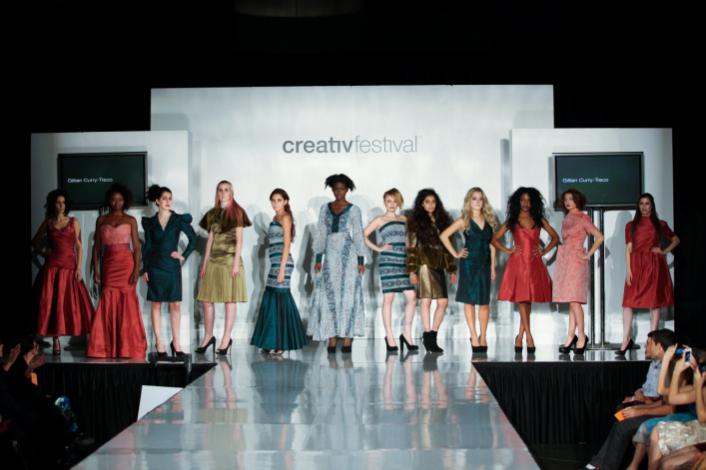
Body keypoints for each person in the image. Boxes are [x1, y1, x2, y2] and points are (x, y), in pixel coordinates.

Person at [584, 328, 676, 470]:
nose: (645, 346)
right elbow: (660, 399)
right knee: (621, 414)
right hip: (655, 406)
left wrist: (640, 409)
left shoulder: (672, 368)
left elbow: (668, 407)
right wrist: (639, 405)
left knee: (624, 425)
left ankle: (606, 466)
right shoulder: (657, 364)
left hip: (667, 414)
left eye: (649, 343)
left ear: (659, 347)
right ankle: (599, 463)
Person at [492, 187, 559, 353]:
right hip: (518, 264)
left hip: (534, 263)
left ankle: (520, 336)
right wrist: (508, 250)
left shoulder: (538, 219)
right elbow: (494, 239)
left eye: (529, 200)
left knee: (527, 300)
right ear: (518, 201)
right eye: (522, 200)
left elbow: (555, 237)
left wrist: (544, 251)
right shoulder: (513, 220)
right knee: (523, 299)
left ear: (533, 202)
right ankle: (529, 336)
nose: (525, 203)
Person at [30, 190, 94, 355]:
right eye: (58, 202)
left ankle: (91, 341)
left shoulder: (73, 221)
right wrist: (44, 252)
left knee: (69, 304)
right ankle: (55, 339)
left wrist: (79, 268)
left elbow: (79, 246)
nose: (61, 205)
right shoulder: (49, 222)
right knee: (51, 304)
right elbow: (34, 241)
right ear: (53, 204)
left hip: (69, 267)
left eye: (64, 202)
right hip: (52, 268)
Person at [308, 174, 367, 354]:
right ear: (332, 190)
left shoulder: (354, 210)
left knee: (348, 294)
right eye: (335, 188)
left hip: (348, 256)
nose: (338, 192)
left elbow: (358, 234)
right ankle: (331, 336)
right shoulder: (324, 208)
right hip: (330, 256)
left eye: (341, 188)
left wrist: (360, 260)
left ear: (347, 189)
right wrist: (318, 258)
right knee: (329, 295)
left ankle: (347, 337)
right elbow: (320, 233)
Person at [87, 184, 146, 358]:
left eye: (120, 199)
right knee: (107, 301)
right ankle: (106, 347)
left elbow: (137, 248)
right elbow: (96, 248)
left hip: (126, 265)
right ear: (109, 201)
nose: (116, 202)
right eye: (113, 199)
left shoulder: (131, 220)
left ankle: (127, 347)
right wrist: (96, 271)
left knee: (127, 303)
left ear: (124, 201)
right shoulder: (101, 220)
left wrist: (136, 270)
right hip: (108, 265)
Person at [619, 193, 679, 355]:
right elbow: (629, 248)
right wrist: (629, 270)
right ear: (638, 206)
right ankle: (625, 339)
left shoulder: (660, 224)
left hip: (654, 265)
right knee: (628, 303)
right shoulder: (631, 225)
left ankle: (652, 341)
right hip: (636, 265)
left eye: (647, 203)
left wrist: (663, 251)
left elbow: (676, 240)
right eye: (641, 203)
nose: (644, 206)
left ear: (652, 205)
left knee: (654, 303)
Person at [196, 180, 252, 356]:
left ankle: (226, 338)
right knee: (206, 300)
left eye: (226, 190)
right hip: (213, 261)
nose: (223, 193)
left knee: (229, 300)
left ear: (231, 192)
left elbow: (239, 240)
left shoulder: (237, 212)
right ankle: (208, 336)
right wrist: (205, 263)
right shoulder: (212, 213)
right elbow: (210, 240)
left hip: (229, 260)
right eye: (220, 190)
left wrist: (236, 263)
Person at [439, 187, 497, 353]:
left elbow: (492, 245)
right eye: (474, 198)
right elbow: (444, 236)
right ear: (469, 201)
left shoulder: (490, 220)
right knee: (469, 300)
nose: (477, 202)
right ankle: (473, 335)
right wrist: (456, 253)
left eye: (480, 198)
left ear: (484, 201)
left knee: (484, 302)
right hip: (469, 264)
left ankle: (483, 336)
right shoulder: (464, 220)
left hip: (484, 264)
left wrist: (492, 266)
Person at [141, 184, 197, 357]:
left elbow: (193, 239)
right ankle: (159, 343)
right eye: (164, 198)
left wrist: (183, 255)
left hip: (172, 267)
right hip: (155, 267)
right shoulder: (150, 222)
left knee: (175, 305)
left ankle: (176, 343)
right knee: (156, 304)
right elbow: (147, 247)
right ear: (157, 201)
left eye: (170, 198)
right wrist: (145, 269)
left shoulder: (178, 219)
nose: (168, 201)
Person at [250, 189, 307, 354]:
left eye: (279, 200)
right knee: (271, 298)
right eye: (273, 200)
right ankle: (270, 341)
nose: (275, 203)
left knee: (281, 300)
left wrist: (281, 269)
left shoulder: (285, 217)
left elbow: (287, 244)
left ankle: (281, 343)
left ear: (285, 201)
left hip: (283, 263)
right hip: (275, 263)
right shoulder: (275, 218)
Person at [363, 188, 417, 353]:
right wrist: (378, 248)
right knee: (389, 299)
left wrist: (412, 264)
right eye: (388, 201)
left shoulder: (404, 219)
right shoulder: (380, 219)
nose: (392, 204)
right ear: (384, 202)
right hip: (388, 262)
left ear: (399, 202)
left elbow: (409, 242)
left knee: (412, 297)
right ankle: (389, 336)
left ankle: (407, 334)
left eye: (395, 201)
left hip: (404, 262)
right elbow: (363, 235)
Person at [552, 189, 604, 354]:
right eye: (565, 199)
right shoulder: (567, 218)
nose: (568, 202)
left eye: (571, 199)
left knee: (575, 300)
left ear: (577, 200)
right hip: (565, 260)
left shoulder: (583, 217)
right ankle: (570, 336)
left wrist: (588, 254)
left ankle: (581, 336)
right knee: (571, 300)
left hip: (576, 261)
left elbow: (599, 236)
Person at [406, 188, 456, 353]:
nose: (430, 205)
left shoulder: (443, 221)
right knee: (426, 301)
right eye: (427, 202)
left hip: (439, 265)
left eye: (433, 201)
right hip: (424, 264)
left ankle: (432, 335)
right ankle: (428, 336)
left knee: (443, 302)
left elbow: (448, 247)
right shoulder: (415, 222)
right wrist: (412, 271)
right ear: (421, 204)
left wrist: (452, 269)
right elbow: (411, 248)